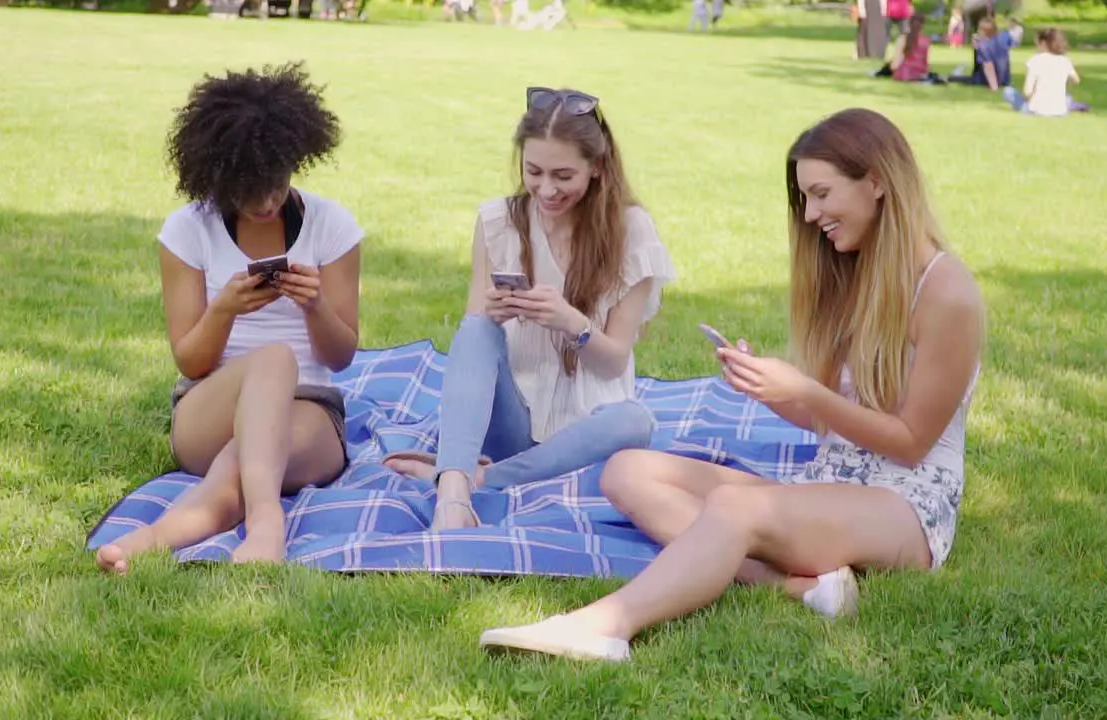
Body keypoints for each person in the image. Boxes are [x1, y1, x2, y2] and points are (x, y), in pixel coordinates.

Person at [479, 107, 984, 662]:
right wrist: (768, 388)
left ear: (878, 182)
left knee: (733, 509)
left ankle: (604, 626)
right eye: (805, 198)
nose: (812, 214)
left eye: (821, 193)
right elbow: (828, 419)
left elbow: (911, 441)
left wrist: (807, 391)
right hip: (829, 481)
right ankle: (798, 585)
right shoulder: (855, 271)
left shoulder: (947, 292)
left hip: (906, 506)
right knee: (626, 471)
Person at [95, 63, 364, 574]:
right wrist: (223, 310)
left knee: (238, 467)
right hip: (209, 407)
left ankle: (147, 541)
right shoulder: (187, 230)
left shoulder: (333, 225)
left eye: (278, 181)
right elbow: (192, 362)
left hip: (307, 412)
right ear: (219, 175)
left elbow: (341, 356)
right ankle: (268, 523)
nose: (267, 200)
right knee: (273, 360)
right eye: (251, 186)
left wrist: (315, 306)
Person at [384, 87, 675, 530]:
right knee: (476, 327)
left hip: (586, 430)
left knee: (636, 421)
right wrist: (495, 312)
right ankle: (454, 497)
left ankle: (468, 478)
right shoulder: (498, 221)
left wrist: (571, 322)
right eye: (533, 171)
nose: (546, 189)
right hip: (510, 422)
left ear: (596, 168)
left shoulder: (631, 231)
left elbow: (615, 362)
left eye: (563, 175)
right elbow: (474, 342)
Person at [1004, 28, 1090, 116]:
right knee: (1067, 97)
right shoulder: (1065, 60)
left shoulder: (1036, 60)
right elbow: (1076, 80)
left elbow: (1027, 92)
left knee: (1008, 92)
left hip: (1036, 109)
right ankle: (1072, 105)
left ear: (1044, 44)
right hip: (1060, 110)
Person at [950, 16, 1011, 90]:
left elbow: (988, 66)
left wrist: (994, 87)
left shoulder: (984, 46)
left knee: (956, 78)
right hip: (1004, 80)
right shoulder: (1001, 39)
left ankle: (952, 77)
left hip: (985, 80)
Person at [874, 13, 936, 82]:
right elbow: (927, 63)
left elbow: (895, 64)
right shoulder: (926, 40)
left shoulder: (903, 39)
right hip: (921, 74)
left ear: (909, 23)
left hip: (904, 74)